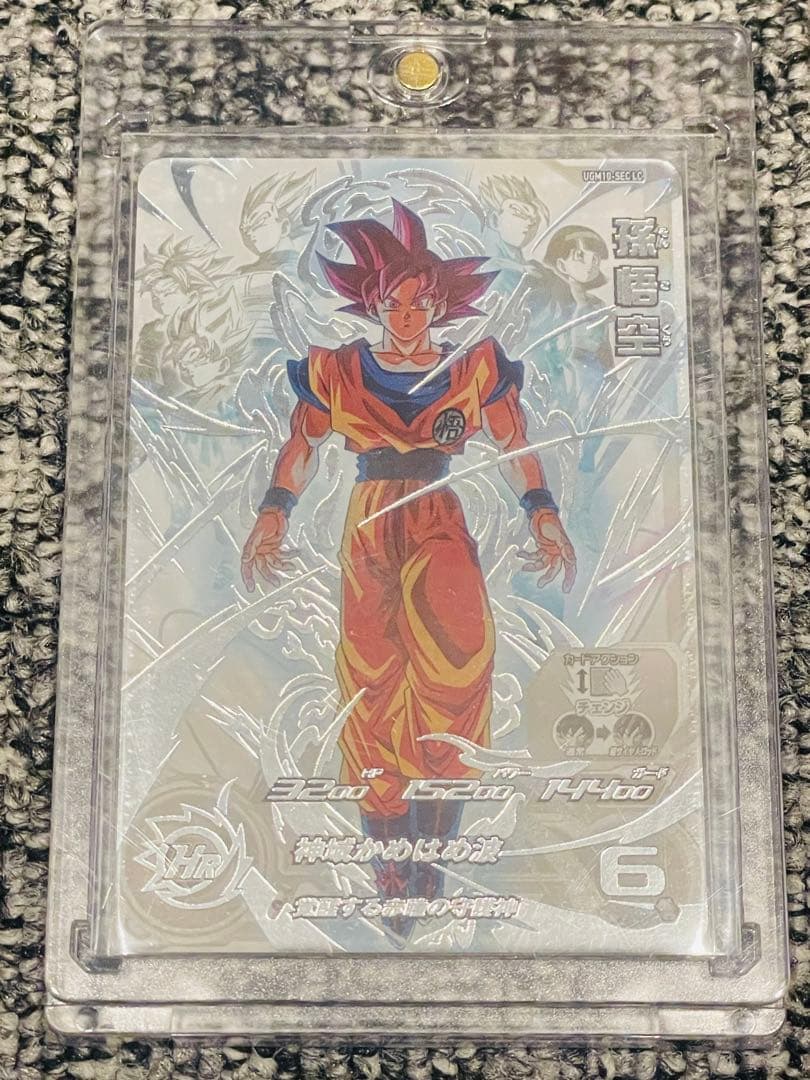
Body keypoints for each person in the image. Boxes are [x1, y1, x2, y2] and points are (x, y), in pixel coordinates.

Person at [240, 200, 576, 937]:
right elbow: (301, 446)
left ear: (439, 305)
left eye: (419, 303)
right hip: (369, 525)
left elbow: (514, 443)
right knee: (371, 682)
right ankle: (391, 863)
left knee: (456, 670)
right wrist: (273, 512)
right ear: (373, 304)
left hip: (438, 520)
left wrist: (542, 511)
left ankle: (436, 848)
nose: (405, 316)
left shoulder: (474, 367)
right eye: (392, 303)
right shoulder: (335, 371)